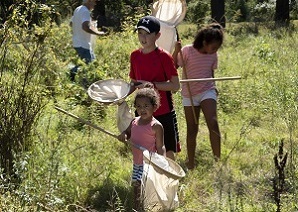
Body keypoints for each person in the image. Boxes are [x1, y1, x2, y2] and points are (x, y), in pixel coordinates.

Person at [172, 23, 224, 169]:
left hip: (207, 90)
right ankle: (191, 163)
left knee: (213, 123)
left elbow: (210, 72)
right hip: (189, 94)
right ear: (204, 42)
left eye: (217, 48)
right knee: (192, 129)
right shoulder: (187, 51)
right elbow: (173, 65)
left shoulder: (213, 55)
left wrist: (214, 87)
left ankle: (217, 161)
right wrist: (176, 51)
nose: (215, 50)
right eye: (213, 47)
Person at [129, 15, 180, 161]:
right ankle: (147, 179)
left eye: (147, 34)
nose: (143, 38)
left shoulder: (164, 56)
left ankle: (168, 178)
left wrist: (153, 85)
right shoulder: (134, 56)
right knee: (143, 147)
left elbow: (175, 85)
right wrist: (118, 96)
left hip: (163, 110)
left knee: (168, 148)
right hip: (142, 110)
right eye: (140, 33)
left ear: (157, 35)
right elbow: (133, 83)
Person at [117, 86, 166, 211]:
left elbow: (161, 147)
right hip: (137, 162)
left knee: (143, 186)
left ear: (154, 107)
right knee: (136, 187)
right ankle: (137, 208)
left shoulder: (156, 126)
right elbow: (128, 133)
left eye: (145, 106)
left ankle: (149, 207)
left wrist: (163, 163)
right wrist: (124, 135)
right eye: (138, 106)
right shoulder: (134, 121)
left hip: (149, 163)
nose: (142, 109)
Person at [69, 0, 105, 81]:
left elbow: (71, 23)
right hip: (83, 44)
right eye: (94, 2)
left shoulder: (78, 9)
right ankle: (85, 82)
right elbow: (85, 27)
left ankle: (73, 75)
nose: (95, 4)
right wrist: (98, 33)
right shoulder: (85, 11)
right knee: (90, 64)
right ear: (89, 1)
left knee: (85, 62)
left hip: (77, 42)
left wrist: (77, 30)